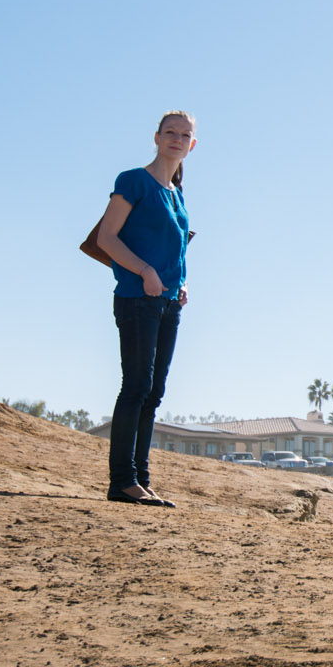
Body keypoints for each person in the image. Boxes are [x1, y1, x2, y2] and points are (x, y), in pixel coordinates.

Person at [92, 110, 196, 507]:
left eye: (184, 134)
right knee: (135, 387)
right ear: (156, 137)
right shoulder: (133, 181)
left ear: (192, 144)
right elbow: (107, 237)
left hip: (168, 303)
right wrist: (145, 271)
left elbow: (175, 248)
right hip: (137, 299)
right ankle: (122, 481)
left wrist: (180, 283)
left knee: (153, 392)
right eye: (170, 132)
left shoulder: (177, 193)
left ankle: (141, 478)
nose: (176, 139)